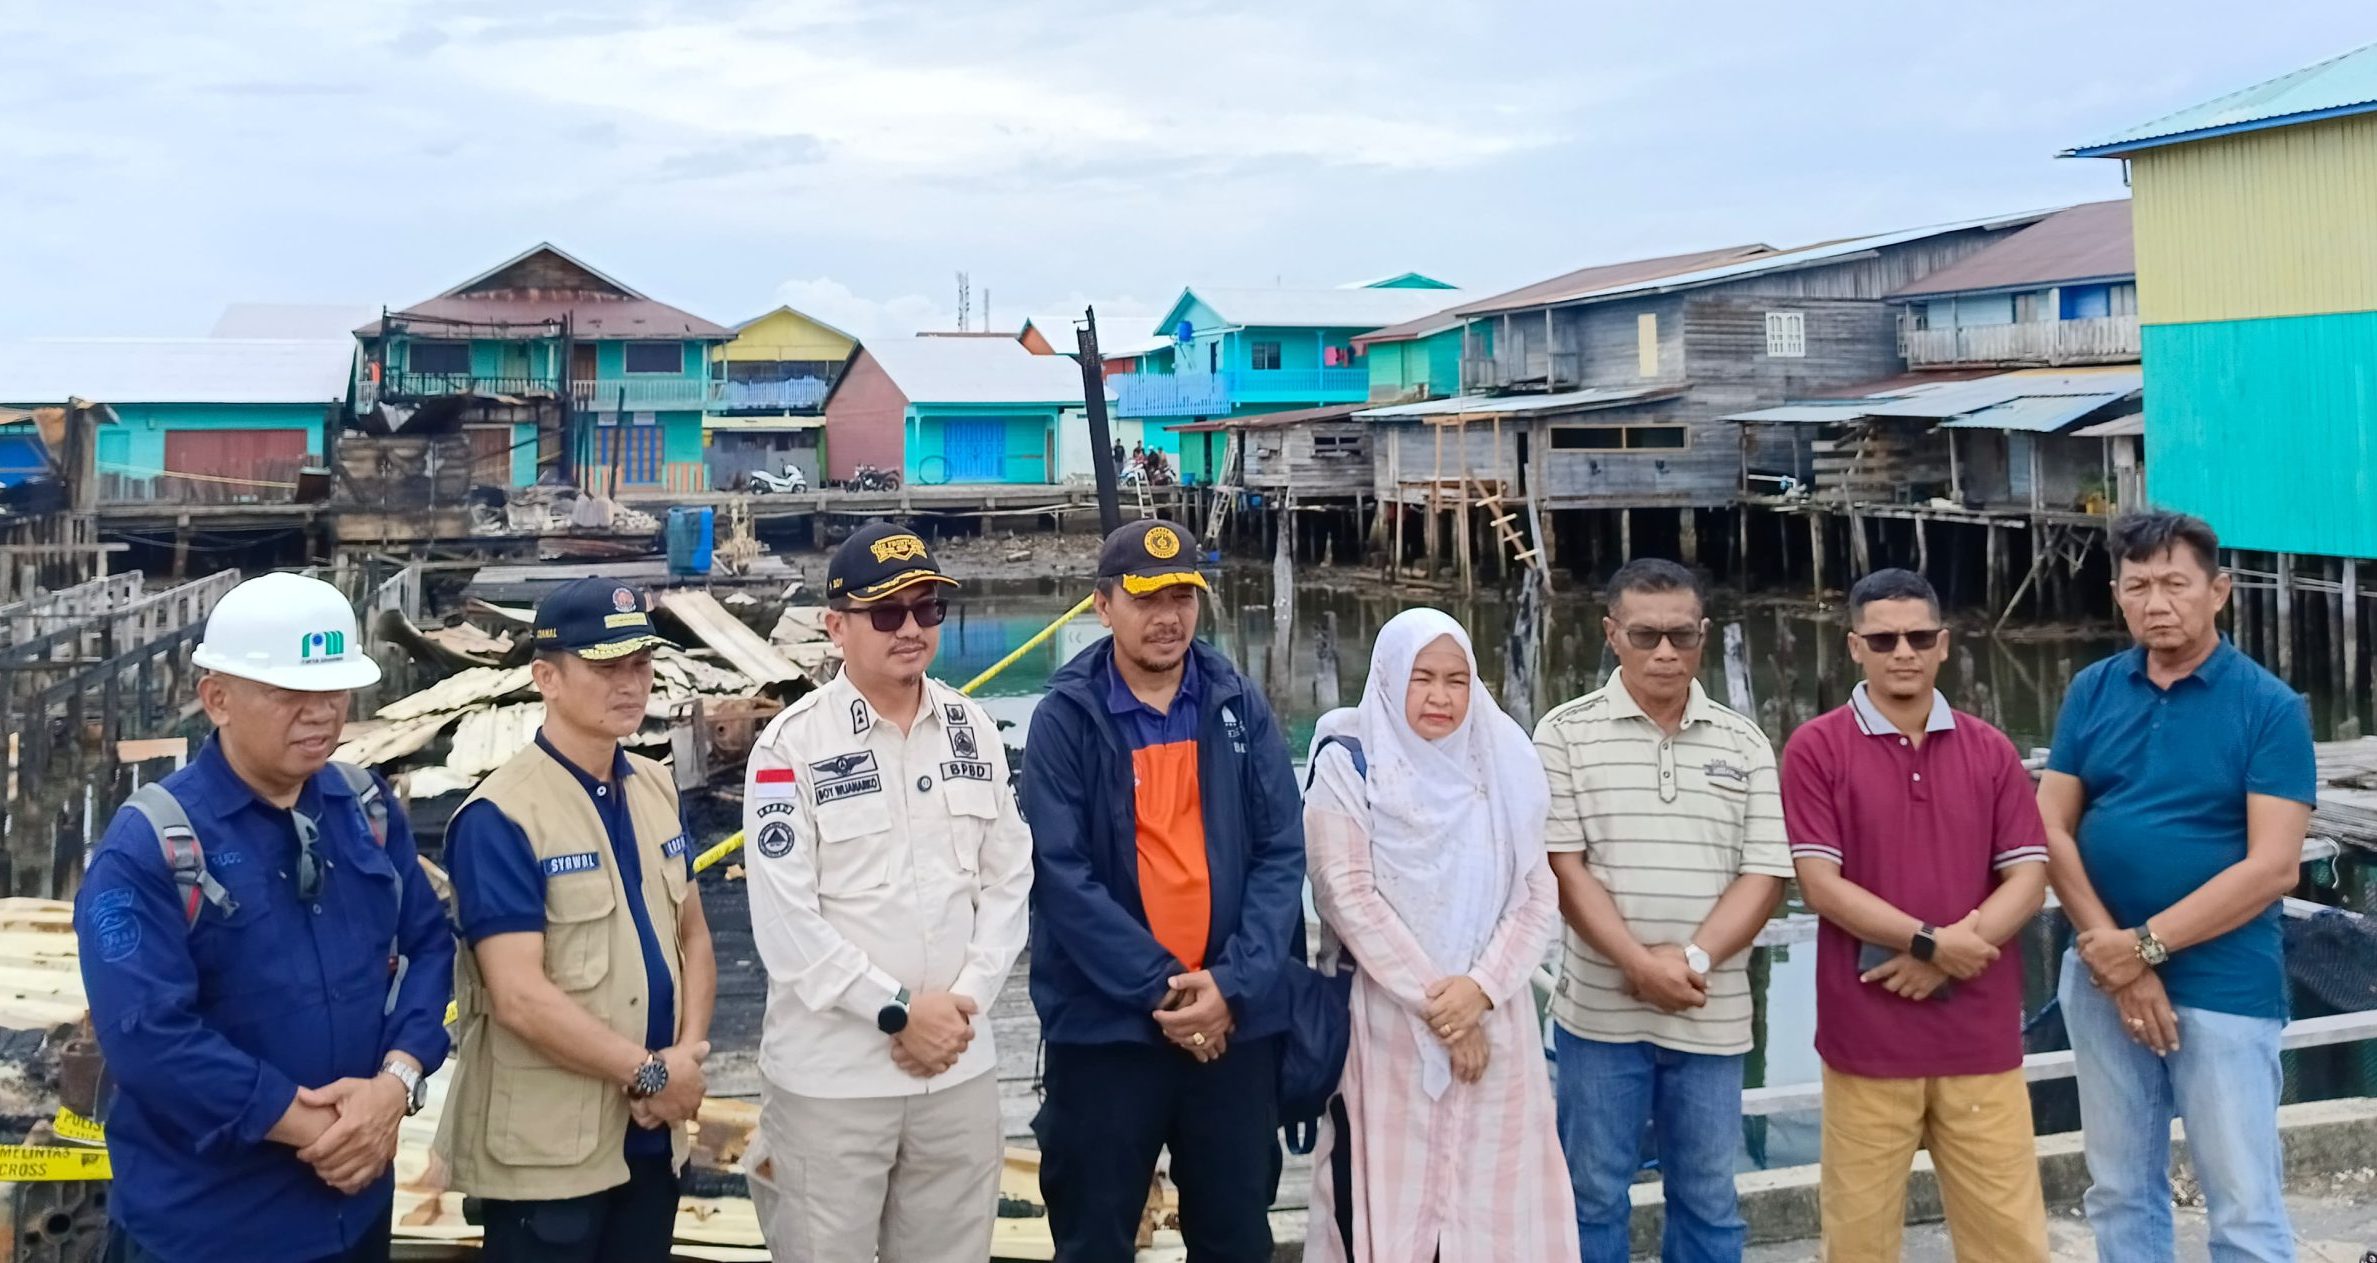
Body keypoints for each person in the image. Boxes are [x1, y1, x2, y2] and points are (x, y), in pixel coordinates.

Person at [75, 572, 454, 1263]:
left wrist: (394, 1087)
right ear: (216, 698)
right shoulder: (152, 846)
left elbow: (429, 945)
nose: (320, 714)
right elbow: (148, 1037)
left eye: (334, 691)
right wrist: (315, 1123)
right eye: (290, 694)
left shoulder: (363, 809)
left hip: (354, 1214)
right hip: (211, 1230)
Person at [741, 523, 1032, 1263]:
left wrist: (962, 1000)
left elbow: (1008, 878)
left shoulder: (973, 730)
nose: (910, 628)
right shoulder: (789, 746)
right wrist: (898, 1011)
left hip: (957, 1071)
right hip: (832, 1083)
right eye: (886, 612)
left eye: (927, 608)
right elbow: (786, 927)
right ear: (836, 625)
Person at [1021, 518, 1305, 1261]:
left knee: (1236, 1231)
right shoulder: (1064, 719)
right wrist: (1165, 990)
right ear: (1101, 604)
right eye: (1145, 597)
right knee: (1093, 1235)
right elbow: (1061, 873)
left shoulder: (1239, 704)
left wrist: (1231, 984)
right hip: (1107, 1029)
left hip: (1232, 1029)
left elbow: (1281, 853)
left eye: (1181, 594)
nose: (1167, 615)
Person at [2039, 511, 2314, 1262]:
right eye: (2137, 586)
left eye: (2173, 583)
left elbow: (2273, 866)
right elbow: (2050, 827)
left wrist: (2143, 947)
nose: (2155, 602)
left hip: (2223, 984)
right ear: (2117, 595)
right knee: (2120, 1188)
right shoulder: (2093, 690)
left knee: (2243, 1203)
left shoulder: (2269, 707)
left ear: (2217, 590)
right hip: (2099, 977)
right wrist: (2112, 957)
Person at [439, 578, 718, 1263]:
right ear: (547, 678)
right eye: (604, 666)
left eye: (640, 664)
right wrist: (652, 1073)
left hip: (650, 1140)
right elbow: (518, 996)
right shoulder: (502, 815)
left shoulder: (653, 784)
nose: (630, 684)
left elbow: (694, 936)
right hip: (548, 1155)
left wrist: (685, 1055)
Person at [1780, 568, 2050, 1262]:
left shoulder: (1991, 750)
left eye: (1917, 636)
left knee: (2009, 1241)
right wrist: (1933, 944)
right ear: (1853, 646)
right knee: (1858, 1242)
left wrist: (1952, 949)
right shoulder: (1814, 748)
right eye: (1883, 637)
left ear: (1943, 645)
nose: (1901, 650)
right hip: (1865, 1042)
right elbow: (1819, 883)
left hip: (1981, 1041)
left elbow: (2026, 876)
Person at [1302, 608, 1577, 1263]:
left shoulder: (1500, 760)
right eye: (1421, 677)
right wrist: (1445, 1008)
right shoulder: (1348, 758)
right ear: (1389, 676)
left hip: (1495, 1020)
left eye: (1456, 679)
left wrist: (1478, 990)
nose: (1439, 696)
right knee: (1385, 1212)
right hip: (1386, 1023)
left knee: (1494, 1214)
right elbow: (1346, 895)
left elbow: (1537, 893)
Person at [1537, 558, 1791, 1262]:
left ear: (1704, 635)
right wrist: (1634, 963)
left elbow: (1766, 871)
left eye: (1682, 635)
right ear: (1610, 634)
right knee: (1589, 1194)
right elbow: (1562, 865)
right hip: (1598, 1016)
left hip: (1710, 1013)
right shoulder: (1562, 733)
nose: (1665, 653)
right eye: (1645, 635)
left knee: (1710, 1197)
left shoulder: (1744, 742)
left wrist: (1691, 959)